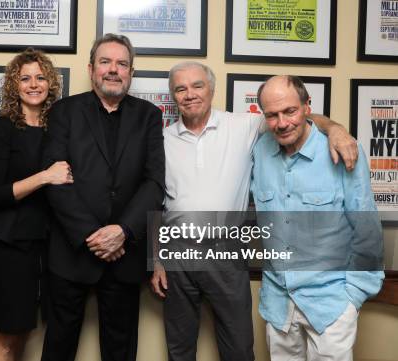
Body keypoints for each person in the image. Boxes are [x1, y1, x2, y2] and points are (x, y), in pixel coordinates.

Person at [149, 61, 359, 361]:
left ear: (212, 89)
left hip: (226, 251)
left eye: (197, 85)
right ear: (173, 95)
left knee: (238, 346)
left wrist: (335, 129)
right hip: (177, 254)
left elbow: (300, 118)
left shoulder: (244, 125)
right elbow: (154, 201)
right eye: (180, 88)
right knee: (179, 348)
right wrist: (157, 258)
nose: (189, 94)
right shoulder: (162, 140)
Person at [40, 33, 165, 361]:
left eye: (122, 63)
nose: (113, 70)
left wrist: (122, 231)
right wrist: (91, 236)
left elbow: (154, 183)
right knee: (58, 347)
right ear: (91, 68)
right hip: (71, 253)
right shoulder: (63, 112)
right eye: (105, 62)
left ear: (131, 72)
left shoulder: (149, 115)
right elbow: (55, 180)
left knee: (120, 351)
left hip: (126, 255)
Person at [251, 75, 384, 361]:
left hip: (331, 304)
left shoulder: (342, 150)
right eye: (272, 115)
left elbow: (367, 231)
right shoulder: (259, 150)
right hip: (278, 305)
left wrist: (353, 296)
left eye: (290, 111)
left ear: (307, 106)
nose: (282, 123)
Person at [0, 48, 73, 361]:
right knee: (7, 334)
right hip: (9, 245)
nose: (33, 84)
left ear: (50, 83)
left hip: (45, 245)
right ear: (14, 85)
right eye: (25, 78)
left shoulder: (56, 130)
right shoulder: (2, 129)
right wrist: (45, 176)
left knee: (24, 330)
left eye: (40, 77)